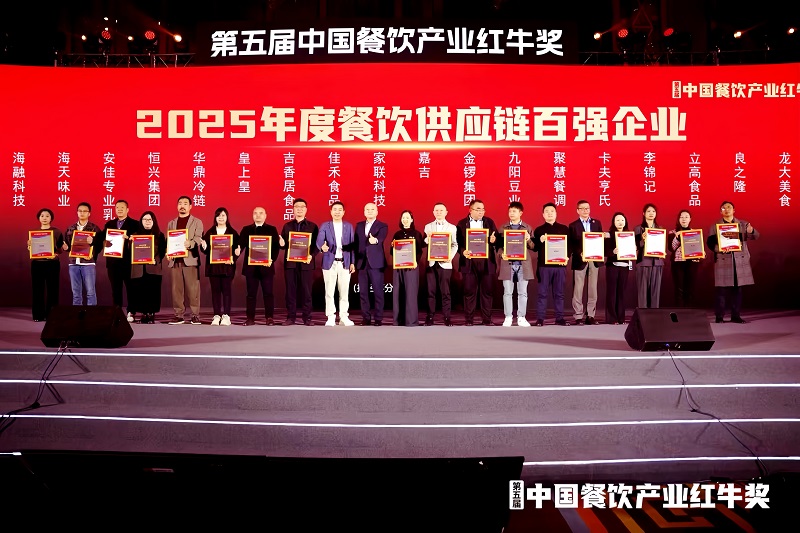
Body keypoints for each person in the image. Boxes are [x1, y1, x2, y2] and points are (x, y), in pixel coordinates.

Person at [706, 201, 760, 323]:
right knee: (721, 290)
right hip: (723, 259)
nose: (726, 209)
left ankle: (735, 315)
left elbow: (756, 236)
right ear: (720, 211)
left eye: (729, 207)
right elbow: (710, 243)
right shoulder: (715, 226)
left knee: (737, 290)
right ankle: (719, 316)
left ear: (734, 210)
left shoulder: (743, 224)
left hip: (739, 260)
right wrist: (719, 249)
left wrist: (751, 230)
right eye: (723, 208)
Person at [456, 199, 498, 326]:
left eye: (483, 209)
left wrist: (494, 240)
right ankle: (469, 319)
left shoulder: (489, 222)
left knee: (487, 291)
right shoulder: (462, 224)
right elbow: (457, 243)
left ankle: (487, 319)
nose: (481, 212)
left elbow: (496, 240)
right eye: (478, 209)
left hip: (486, 262)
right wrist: (463, 251)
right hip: (469, 262)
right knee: (469, 291)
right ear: (470, 210)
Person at [237, 206, 281, 326]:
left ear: (265, 215)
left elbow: (276, 247)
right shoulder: (246, 229)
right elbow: (241, 245)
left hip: (266, 267)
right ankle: (250, 318)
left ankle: (269, 318)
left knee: (268, 294)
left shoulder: (272, 229)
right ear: (252, 215)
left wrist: (272, 259)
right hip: (251, 268)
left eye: (261, 213)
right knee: (251, 294)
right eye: (255, 213)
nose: (258, 215)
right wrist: (237, 250)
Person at [280, 198, 319, 326]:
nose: (299, 209)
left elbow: (316, 245)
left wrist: (311, 256)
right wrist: (281, 244)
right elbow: (283, 245)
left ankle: (307, 317)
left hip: (306, 264)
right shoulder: (287, 226)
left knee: (306, 292)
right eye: (297, 206)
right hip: (290, 264)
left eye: (302, 207)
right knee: (290, 291)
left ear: (306, 209)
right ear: (293, 209)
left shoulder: (312, 226)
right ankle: (290, 317)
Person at [496, 201, 535, 327]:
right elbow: (498, 247)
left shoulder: (527, 228)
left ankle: (521, 317)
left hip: (523, 264)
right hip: (508, 264)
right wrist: (501, 254)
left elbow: (533, 247)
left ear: (520, 213)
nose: (511, 213)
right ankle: (508, 317)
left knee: (523, 292)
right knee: (507, 292)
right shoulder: (503, 228)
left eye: (514, 211)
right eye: (510, 211)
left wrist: (528, 239)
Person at [317, 201, 356, 327]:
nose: (337, 212)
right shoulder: (325, 226)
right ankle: (330, 316)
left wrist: (352, 262)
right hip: (330, 262)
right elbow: (319, 241)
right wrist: (322, 246)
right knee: (329, 291)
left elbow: (352, 245)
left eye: (340, 210)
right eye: (335, 209)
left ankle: (344, 316)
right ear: (331, 212)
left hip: (345, 262)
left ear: (343, 212)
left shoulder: (348, 226)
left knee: (344, 291)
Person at [167, 196, 204, 325]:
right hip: (175, 260)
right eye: (180, 203)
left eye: (185, 203)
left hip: (190, 259)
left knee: (193, 289)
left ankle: (195, 315)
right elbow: (169, 240)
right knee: (176, 290)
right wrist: (168, 252)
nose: (182, 206)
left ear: (190, 206)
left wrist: (191, 243)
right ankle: (179, 315)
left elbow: (199, 237)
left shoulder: (197, 222)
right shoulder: (171, 223)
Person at [532, 202, 570, 326]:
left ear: (556, 213)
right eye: (547, 211)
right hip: (544, 266)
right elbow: (534, 248)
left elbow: (569, 246)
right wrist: (540, 240)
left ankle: (560, 318)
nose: (549, 213)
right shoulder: (539, 230)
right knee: (542, 293)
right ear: (543, 214)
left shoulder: (564, 229)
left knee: (559, 293)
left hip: (560, 266)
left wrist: (567, 256)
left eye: (552, 211)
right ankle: (540, 318)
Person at [201, 207, 239, 326]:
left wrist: (234, 256)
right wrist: (204, 247)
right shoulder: (210, 232)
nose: (221, 218)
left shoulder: (233, 233)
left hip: (227, 267)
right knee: (215, 292)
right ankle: (216, 315)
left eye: (223, 215)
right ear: (215, 218)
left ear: (227, 217)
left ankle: (226, 316)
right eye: (218, 216)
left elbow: (237, 249)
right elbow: (205, 250)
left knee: (227, 291)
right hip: (214, 267)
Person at [103, 200, 140, 322]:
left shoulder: (135, 224)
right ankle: (117, 311)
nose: (119, 209)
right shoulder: (109, 224)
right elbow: (102, 238)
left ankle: (131, 311)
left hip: (128, 262)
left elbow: (140, 241)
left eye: (122, 207)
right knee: (116, 289)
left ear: (127, 209)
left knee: (131, 288)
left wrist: (129, 239)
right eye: (117, 207)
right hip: (113, 263)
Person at [568, 199, 604, 325]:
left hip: (594, 259)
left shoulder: (596, 223)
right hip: (580, 260)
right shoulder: (573, 225)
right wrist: (580, 253)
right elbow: (572, 244)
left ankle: (590, 315)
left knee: (593, 288)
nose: (585, 210)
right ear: (577, 210)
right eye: (582, 208)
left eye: (587, 208)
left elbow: (600, 240)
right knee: (578, 289)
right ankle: (578, 315)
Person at [423, 202, 458, 326]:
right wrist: (427, 239)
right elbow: (424, 241)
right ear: (433, 212)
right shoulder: (428, 227)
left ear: (446, 212)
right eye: (436, 210)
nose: (439, 212)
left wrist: (450, 257)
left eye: (441, 210)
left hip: (445, 263)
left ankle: (447, 317)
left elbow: (455, 244)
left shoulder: (452, 228)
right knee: (430, 291)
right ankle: (430, 316)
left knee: (445, 292)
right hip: (432, 263)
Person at [355, 202, 389, 326]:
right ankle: (366, 317)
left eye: (372, 209)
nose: (370, 211)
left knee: (378, 292)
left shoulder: (382, 226)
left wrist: (375, 240)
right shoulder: (359, 225)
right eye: (367, 209)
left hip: (376, 263)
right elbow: (356, 244)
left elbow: (381, 238)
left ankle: (378, 318)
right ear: (364, 212)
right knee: (363, 293)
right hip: (362, 263)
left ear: (377, 212)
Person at [129, 211, 166, 324]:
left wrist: (156, 260)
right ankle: (143, 314)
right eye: (145, 219)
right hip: (138, 269)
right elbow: (130, 252)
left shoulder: (160, 235)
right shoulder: (135, 235)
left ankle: (151, 313)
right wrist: (130, 243)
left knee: (153, 292)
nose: (147, 222)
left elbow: (162, 252)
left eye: (150, 219)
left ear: (154, 221)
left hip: (153, 268)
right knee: (140, 292)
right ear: (141, 221)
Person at [28, 208, 64, 321]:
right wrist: (29, 246)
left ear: (51, 218)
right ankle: (38, 315)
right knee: (37, 290)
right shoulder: (33, 233)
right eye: (42, 216)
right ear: (39, 218)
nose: (44, 218)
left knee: (53, 290)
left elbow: (60, 249)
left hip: (52, 264)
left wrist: (57, 253)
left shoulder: (57, 232)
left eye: (47, 216)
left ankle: (51, 315)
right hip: (37, 264)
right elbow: (31, 249)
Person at [64, 202, 104, 306]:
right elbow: (68, 246)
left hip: (88, 263)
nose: (82, 213)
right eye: (80, 211)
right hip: (73, 263)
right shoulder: (70, 228)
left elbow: (100, 245)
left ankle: (91, 314)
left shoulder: (94, 228)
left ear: (89, 213)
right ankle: (77, 313)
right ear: (77, 212)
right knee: (76, 293)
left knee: (90, 292)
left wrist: (93, 244)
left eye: (85, 211)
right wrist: (66, 248)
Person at [391, 210, 425, 327]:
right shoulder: (397, 234)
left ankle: (411, 321)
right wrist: (392, 246)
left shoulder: (417, 234)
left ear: (411, 220)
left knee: (411, 293)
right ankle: (398, 320)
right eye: (403, 218)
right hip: (399, 267)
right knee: (398, 292)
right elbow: (392, 252)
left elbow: (419, 251)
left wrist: (416, 261)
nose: (405, 220)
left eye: (407, 218)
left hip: (412, 266)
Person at [669, 209, 702, 307]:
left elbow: (698, 249)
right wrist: (677, 238)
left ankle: (689, 311)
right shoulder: (672, 232)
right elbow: (671, 248)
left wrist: (702, 253)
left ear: (690, 219)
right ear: (678, 219)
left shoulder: (694, 233)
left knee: (690, 288)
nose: (684, 219)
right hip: (678, 263)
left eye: (686, 217)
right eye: (681, 217)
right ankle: (679, 311)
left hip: (692, 263)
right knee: (679, 288)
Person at [634, 203, 664, 309]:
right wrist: (643, 240)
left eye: (653, 211)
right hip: (643, 262)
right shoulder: (638, 229)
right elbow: (635, 246)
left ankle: (654, 314)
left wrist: (662, 252)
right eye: (648, 211)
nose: (651, 213)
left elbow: (662, 246)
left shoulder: (660, 229)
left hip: (657, 263)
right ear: (644, 213)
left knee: (655, 292)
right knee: (643, 292)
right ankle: (643, 314)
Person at [604, 212, 632, 325]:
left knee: (621, 292)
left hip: (624, 266)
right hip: (612, 266)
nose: (620, 222)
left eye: (622, 220)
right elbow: (605, 251)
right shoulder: (609, 235)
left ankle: (621, 317)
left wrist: (633, 249)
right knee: (612, 292)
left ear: (625, 222)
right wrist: (612, 252)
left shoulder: (629, 235)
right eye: (618, 220)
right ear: (613, 222)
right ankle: (612, 318)